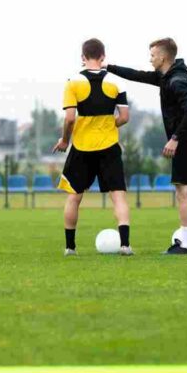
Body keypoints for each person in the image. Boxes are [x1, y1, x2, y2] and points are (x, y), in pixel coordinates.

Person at [106, 38, 187, 254]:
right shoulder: (166, 77)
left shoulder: (177, 81)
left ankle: (185, 244)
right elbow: (137, 75)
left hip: (186, 141)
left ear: (163, 57)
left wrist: (175, 138)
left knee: (183, 191)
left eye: (152, 55)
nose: (150, 59)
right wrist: (109, 67)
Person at [54, 38, 132, 256]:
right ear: (103, 56)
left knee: (74, 197)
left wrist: (64, 140)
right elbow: (124, 117)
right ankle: (125, 245)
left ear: (82, 57)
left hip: (82, 147)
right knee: (118, 196)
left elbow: (70, 119)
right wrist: (108, 125)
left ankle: (70, 248)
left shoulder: (72, 82)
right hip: (109, 145)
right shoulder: (117, 83)